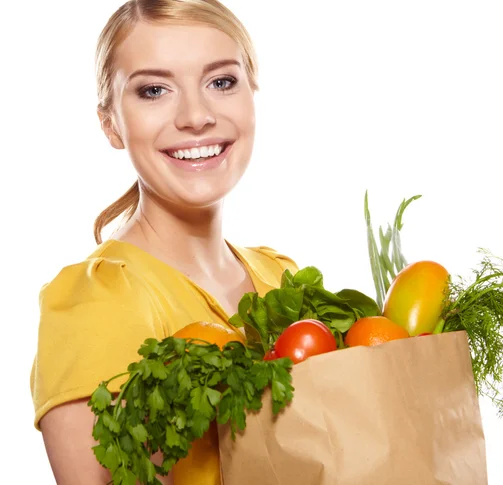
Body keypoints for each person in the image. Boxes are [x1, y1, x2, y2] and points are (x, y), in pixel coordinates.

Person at [30, 1, 299, 484]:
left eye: (221, 82)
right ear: (111, 123)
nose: (196, 117)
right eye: (154, 90)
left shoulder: (283, 279)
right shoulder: (96, 302)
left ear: (252, 94)